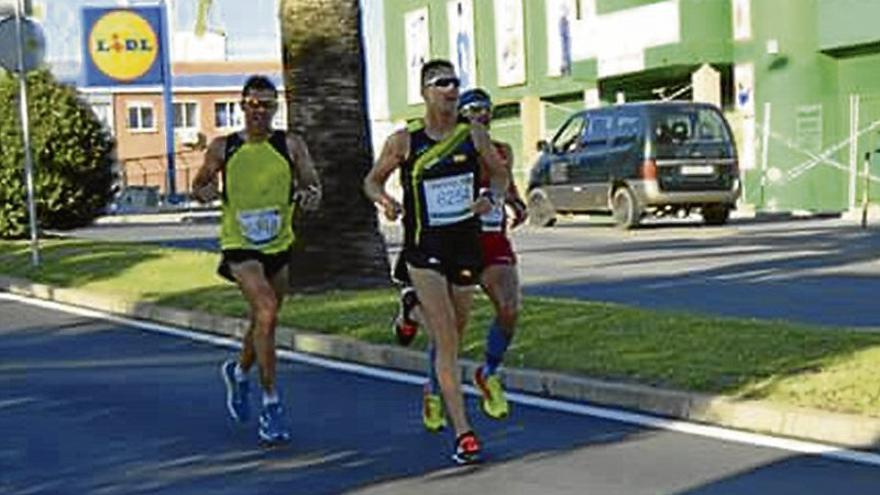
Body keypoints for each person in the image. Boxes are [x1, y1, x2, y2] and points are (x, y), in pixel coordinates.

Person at [364, 60, 509, 465]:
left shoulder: (473, 136)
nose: (450, 90)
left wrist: (492, 198)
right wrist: (386, 201)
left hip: (465, 247)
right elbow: (371, 180)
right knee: (446, 339)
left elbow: (499, 176)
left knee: (456, 331)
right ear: (425, 92)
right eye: (441, 83)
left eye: (454, 83)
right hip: (423, 249)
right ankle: (464, 432)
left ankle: (410, 308)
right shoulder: (405, 141)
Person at [191, 75, 322, 445]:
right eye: (253, 105)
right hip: (240, 245)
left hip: (279, 245)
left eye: (267, 105)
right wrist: (206, 191)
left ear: (276, 108)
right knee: (265, 310)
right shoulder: (224, 147)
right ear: (242, 106)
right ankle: (271, 403)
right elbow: (199, 184)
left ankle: (238, 371)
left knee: (264, 320)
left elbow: (312, 182)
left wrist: (311, 194)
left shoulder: (290, 145)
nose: (259, 112)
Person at [392, 88, 527, 421]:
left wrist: (514, 202)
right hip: (454, 243)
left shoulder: (500, 150)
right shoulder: (441, 148)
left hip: (492, 240)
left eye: (485, 109)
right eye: (472, 110)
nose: (480, 115)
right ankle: (434, 390)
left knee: (509, 309)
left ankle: (489, 372)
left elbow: (505, 185)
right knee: (450, 329)